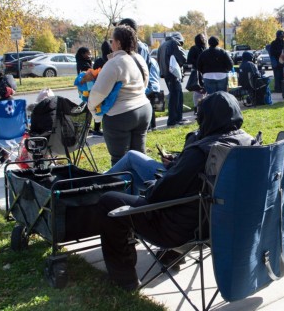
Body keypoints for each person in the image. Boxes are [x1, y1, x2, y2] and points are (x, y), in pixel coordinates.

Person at [95, 91, 258, 291]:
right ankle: (170, 254)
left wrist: (154, 184)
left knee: (109, 201)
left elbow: (159, 195)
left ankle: (124, 280)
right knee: (178, 197)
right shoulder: (250, 144)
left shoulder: (201, 152)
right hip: (225, 225)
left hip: (183, 231)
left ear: (207, 118)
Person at [88, 25, 151, 165]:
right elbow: (145, 82)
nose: (111, 43)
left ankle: (122, 186)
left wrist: (92, 108)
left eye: (112, 40)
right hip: (144, 109)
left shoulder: (114, 63)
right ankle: (145, 185)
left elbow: (99, 92)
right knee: (140, 156)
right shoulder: (139, 59)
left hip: (121, 115)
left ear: (119, 43)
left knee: (119, 160)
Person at [116, 18, 161, 131]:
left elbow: (139, 68)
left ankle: (149, 127)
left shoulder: (138, 47)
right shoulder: (134, 46)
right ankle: (150, 126)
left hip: (140, 85)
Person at [158, 32, 189, 127]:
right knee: (176, 96)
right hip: (173, 73)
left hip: (166, 73)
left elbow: (159, 59)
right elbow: (183, 57)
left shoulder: (162, 45)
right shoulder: (174, 43)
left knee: (175, 95)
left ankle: (177, 118)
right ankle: (174, 119)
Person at [186, 34, 207, 114]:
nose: (204, 39)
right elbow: (189, 60)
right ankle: (196, 107)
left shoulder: (205, 48)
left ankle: (202, 106)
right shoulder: (194, 48)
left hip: (204, 71)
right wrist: (198, 63)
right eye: (202, 38)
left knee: (204, 90)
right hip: (197, 71)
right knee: (198, 90)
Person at [269, 30, 284, 98]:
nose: (281, 37)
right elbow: (272, 52)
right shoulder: (274, 43)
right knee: (277, 76)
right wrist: (280, 52)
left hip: (283, 62)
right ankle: (278, 89)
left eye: (282, 36)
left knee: (283, 76)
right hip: (276, 62)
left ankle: (283, 89)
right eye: (280, 36)